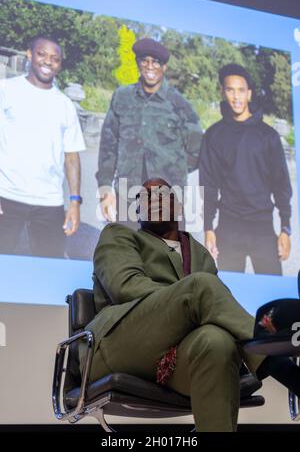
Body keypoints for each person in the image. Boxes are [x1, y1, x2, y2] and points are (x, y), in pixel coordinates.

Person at [80, 177, 300, 432]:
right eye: (144, 198)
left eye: (162, 194)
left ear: (179, 207)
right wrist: (187, 298)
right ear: (137, 211)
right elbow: (126, 287)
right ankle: (285, 369)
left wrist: (193, 302)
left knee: (217, 342)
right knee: (200, 288)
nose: (153, 200)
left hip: (175, 362)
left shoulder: (201, 255)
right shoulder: (118, 235)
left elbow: (220, 310)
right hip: (119, 346)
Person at [96, 37, 202, 226]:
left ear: (164, 67)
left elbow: (196, 149)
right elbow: (108, 144)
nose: (150, 66)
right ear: (138, 63)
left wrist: (174, 170)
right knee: (127, 252)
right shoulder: (122, 97)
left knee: (165, 254)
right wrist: (105, 188)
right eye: (144, 60)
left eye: (156, 62)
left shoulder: (180, 104)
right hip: (127, 195)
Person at [199, 63, 292, 275]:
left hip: (263, 228)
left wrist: (285, 228)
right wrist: (208, 228)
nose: (236, 97)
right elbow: (208, 186)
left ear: (249, 93)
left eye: (241, 90)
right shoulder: (214, 135)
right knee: (228, 296)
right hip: (229, 228)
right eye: (230, 90)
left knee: (273, 299)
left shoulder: (268, 136)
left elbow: (281, 184)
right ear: (223, 92)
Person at [0, 35, 85, 258]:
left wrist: (74, 203)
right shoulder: (6, 89)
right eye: (42, 54)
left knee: (50, 264)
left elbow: (72, 156)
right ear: (29, 54)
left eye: (55, 58)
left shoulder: (65, 105)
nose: (48, 61)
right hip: (6, 196)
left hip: (49, 201)